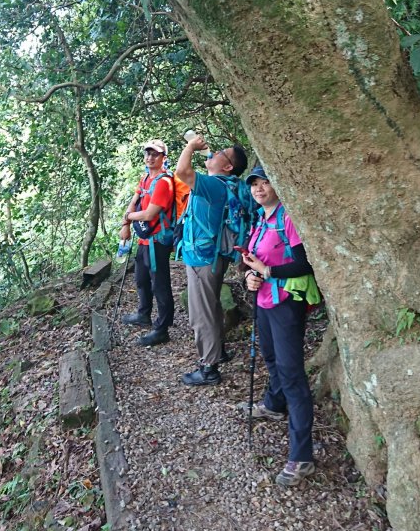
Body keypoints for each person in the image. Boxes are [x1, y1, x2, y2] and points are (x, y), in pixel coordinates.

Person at [242, 165, 317, 488]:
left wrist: (268, 272)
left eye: (264, 183)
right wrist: (249, 276)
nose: (259, 189)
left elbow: (305, 261)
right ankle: (274, 405)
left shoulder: (288, 217)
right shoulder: (260, 218)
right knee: (271, 359)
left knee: (291, 373)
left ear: (277, 185)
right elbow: (252, 259)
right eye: (254, 185)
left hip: (287, 300)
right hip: (263, 300)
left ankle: (302, 456)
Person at [175, 133, 249, 386]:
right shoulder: (230, 185)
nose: (214, 154)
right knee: (212, 304)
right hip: (214, 255)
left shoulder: (215, 185)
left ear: (228, 166)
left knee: (201, 312)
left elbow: (182, 171)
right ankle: (219, 350)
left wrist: (190, 146)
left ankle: (209, 368)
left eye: (221, 154)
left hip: (203, 258)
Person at [120, 138, 175, 347]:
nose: (150, 157)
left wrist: (129, 217)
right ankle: (144, 314)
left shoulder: (164, 182)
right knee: (142, 279)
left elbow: (151, 213)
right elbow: (134, 202)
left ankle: (162, 329)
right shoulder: (145, 178)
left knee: (160, 284)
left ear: (163, 158)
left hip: (158, 240)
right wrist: (126, 222)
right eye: (148, 153)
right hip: (144, 238)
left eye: (155, 154)